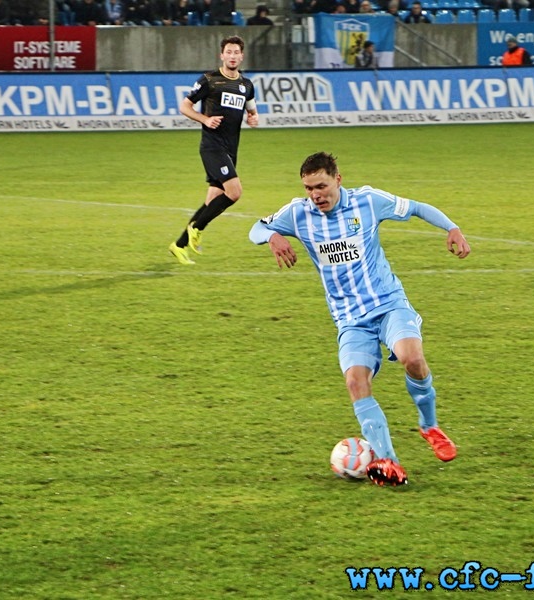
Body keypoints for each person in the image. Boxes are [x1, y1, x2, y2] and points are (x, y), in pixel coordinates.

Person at [249, 152, 471, 487]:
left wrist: (452, 228)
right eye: (309, 188)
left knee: (413, 359)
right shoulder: (297, 212)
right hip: (350, 319)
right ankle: (388, 462)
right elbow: (257, 227)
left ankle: (430, 426)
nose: (315, 195)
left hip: (388, 304)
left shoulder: (368, 201)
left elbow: (416, 207)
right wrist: (272, 236)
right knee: (355, 381)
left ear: (338, 179)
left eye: (321, 185)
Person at [168, 36, 259, 265]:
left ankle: (179, 245)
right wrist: (204, 119)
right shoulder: (209, 80)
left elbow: (251, 109)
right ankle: (196, 228)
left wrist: (253, 117)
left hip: (231, 149)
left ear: (241, 55)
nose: (232, 56)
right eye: (228, 52)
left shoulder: (246, 85)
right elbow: (184, 105)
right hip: (212, 147)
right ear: (222, 55)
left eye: (236, 52)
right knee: (235, 191)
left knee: (213, 200)